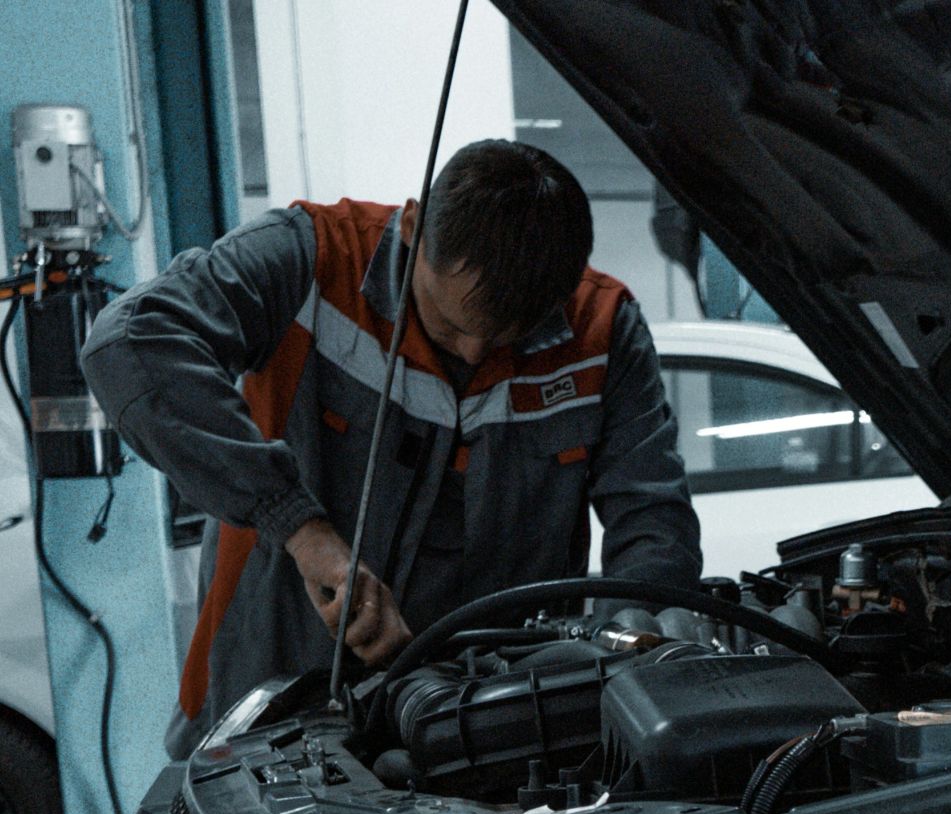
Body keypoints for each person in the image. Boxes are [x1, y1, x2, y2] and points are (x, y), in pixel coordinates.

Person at [79, 140, 701, 756]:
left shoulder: (602, 330)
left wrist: (635, 640)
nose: (472, 355)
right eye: (451, 323)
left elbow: (652, 520)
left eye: (511, 335)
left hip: (495, 731)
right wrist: (297, 525)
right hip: (269, 716)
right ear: (412, 227)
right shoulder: (313, 261)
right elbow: (129, 343)